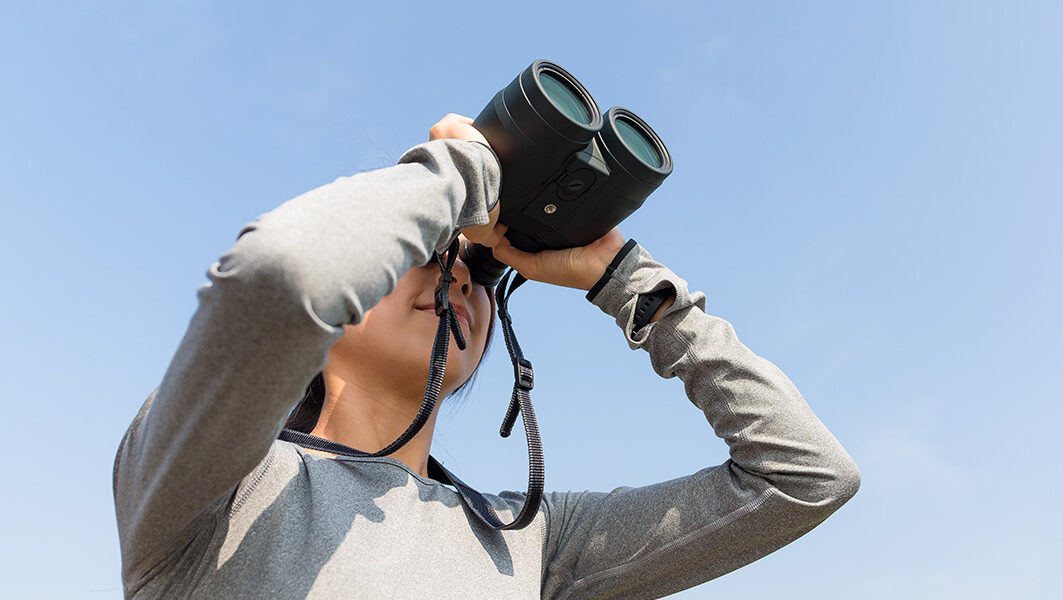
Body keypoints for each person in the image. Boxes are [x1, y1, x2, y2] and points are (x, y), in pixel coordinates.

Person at [112, 113, 861, 599]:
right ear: (337, 312)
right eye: (423, 258)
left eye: (471, 272)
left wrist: (622, 278)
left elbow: (806, 477)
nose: (459, 275)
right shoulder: (218, 484)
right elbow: (284, 277)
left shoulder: (526, 538)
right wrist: (460, 174)